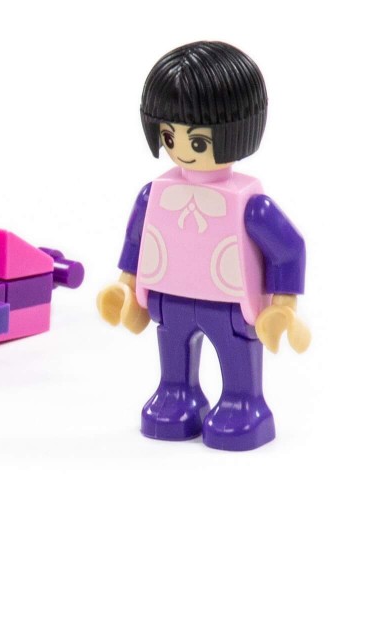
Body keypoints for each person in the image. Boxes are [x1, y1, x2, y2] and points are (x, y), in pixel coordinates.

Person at [97, 41, 309, 451]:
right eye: (168, 135)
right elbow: (138, 241)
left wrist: (283, 305)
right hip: (169, 298)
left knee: (236, 353)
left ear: (237, 131)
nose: (181, 150)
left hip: (229, 305)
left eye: (197, 142)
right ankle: (177, 393)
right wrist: (126, 286)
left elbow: (289, 248)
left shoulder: (251, 205)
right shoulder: (154, 195)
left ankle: (244, 402)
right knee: (172, 350)